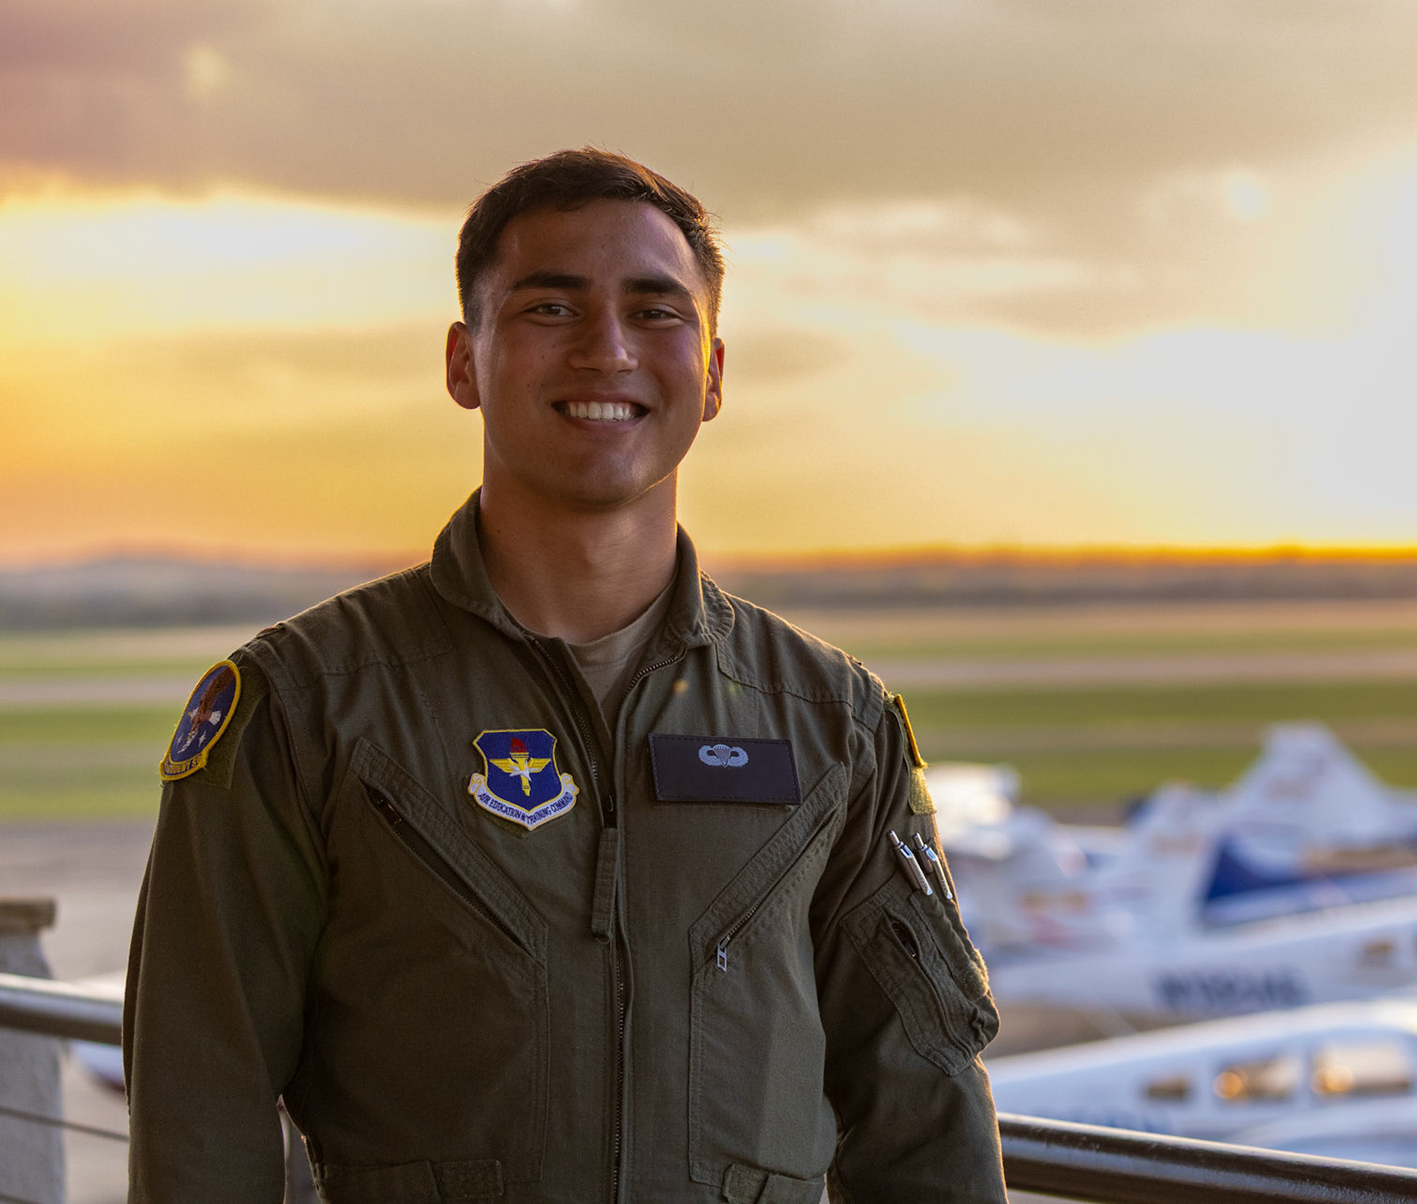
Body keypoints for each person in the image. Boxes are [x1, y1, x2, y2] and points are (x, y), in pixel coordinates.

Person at [124, 149, 1006, 1203]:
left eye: (657, 311)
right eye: (550, 308)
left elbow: (924, 1113)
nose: (608, 350)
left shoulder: (832, 724)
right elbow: (201, 1104)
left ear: (714, 374)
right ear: (464, 362)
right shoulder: (305, 706)